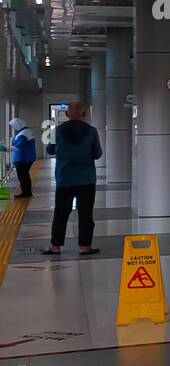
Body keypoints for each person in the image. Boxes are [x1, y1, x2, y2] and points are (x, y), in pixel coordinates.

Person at [42, 101, 103, 255]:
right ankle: (84, 247)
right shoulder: (92, 131)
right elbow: (97, 154)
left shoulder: (57, 131)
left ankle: (55, 246)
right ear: (83, 114)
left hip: (64, 179)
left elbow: (50, 150)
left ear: (67, 114)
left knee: (60, 214)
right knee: (86, 214)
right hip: (86, 180)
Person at [3, 117, 36, 198]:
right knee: (25, 175)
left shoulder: (23, 134)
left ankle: (25, 193)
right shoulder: (27, 131)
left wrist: (5, 149)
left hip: (22, 158)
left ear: (18, 125)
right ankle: (28, 192)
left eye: (14, 126)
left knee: (22, 176)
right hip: (28, 158)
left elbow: (18, 147)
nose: (14, 128)